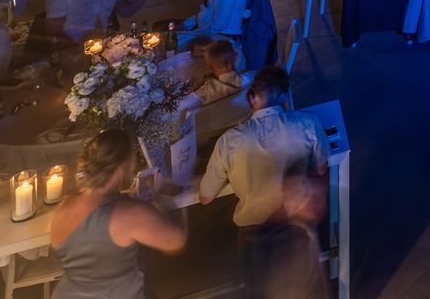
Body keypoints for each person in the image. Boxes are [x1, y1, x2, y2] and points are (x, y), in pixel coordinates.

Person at [199, 67, 330, 297]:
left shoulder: (229, 140)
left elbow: (205, 196)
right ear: (285, 94)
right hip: (297, 227)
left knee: (259, 292)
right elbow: (321, 167)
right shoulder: (307, 123)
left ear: (252, 98)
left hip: (253, 234)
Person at [48, 128, 186, 299]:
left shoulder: (64, 206)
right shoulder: (132, 213)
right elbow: (176, 241)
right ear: (122, 168)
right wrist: (161, 197)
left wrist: (127, 199)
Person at [180, 40, 246, 111]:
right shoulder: (251, 77)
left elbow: (180, 106)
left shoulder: (207, 91)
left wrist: (196, 87)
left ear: (210, 67)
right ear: (235, 56)